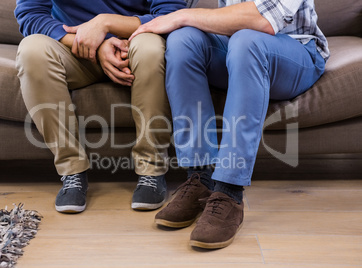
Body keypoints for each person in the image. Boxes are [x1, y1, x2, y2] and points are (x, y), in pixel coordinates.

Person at [129, 0, 329, 249]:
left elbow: (263, 20)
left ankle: (229, 191)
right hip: (234, 45)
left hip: (296, 51)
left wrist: (183, 16)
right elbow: (174, 11)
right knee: (182, 41)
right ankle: (200, 177)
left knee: (247, 40)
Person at [14, 0, 189, 213]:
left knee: (150, 49)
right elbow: (30, 15)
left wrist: (105, 24)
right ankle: (72, 171)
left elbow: (171, 14)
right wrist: (93, 46)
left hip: (135, 43)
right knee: (31, 50)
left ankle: (151, 171)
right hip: (76, 47)